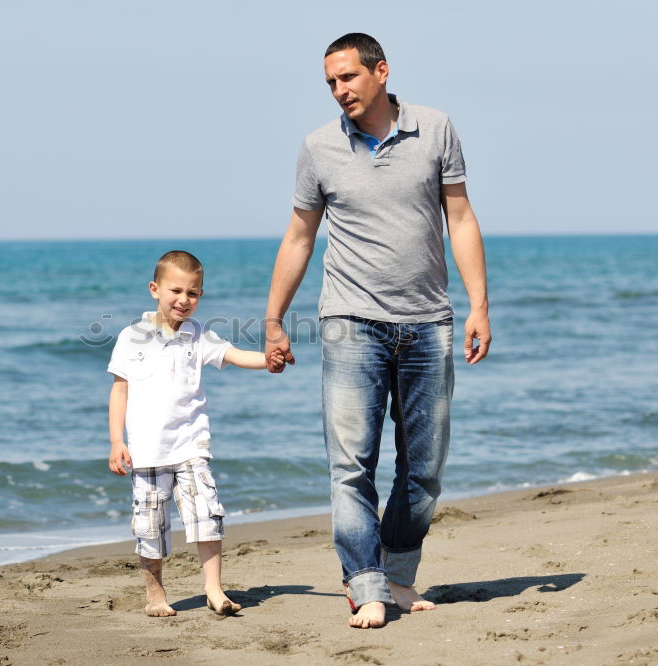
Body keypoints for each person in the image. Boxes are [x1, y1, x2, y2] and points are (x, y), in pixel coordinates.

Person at [264, 33, 491, 629]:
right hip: (349, 323)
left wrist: (479, 306)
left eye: (348, 78)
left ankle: (398, 574)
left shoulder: (436, 129)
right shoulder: (318, 148)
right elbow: (299, 237)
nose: (340, 91)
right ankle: (365, 584)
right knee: (351, 465)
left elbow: (460, 218)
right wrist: (273, 320)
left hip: (427, 322)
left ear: (381, 72)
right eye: (331, 83)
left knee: (424, 469)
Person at [107, 250, 284, 617]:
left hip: (191, 445)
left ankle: (214, 589)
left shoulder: (198, 335)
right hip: (147, 451)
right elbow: (119, 390)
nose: (184, 300)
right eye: (176, 291)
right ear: (155, 289)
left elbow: (233, 355)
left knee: (207, 514)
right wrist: (116, 441)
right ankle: (155, 594)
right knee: (150, 527)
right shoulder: (131, 336)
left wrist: (266, 360)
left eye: (193, 293)